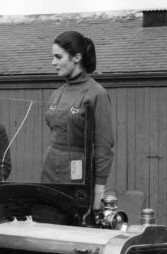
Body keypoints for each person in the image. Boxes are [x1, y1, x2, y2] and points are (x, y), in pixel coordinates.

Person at [41, 31, 114, 210]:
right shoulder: (56, 94)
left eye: (58, 57)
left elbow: (104, 147)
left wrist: (98, 192)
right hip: (50, 170)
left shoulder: (97, 94)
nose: (53, 62)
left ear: (77, 57)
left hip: (78, 175)